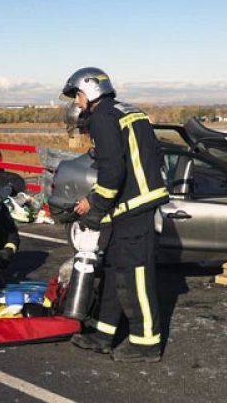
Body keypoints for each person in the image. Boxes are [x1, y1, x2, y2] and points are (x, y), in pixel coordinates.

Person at [63, 67, 169, 363]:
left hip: (134, 207)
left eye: (78, 95)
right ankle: (103, 334)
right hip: (134, 203)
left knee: (135, 275)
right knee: (113, 269)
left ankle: (146, 343)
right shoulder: (128, 111)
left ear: (90, 91)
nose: (78, 102)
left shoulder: (101, 118)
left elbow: (112, 170)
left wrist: (94, 204)